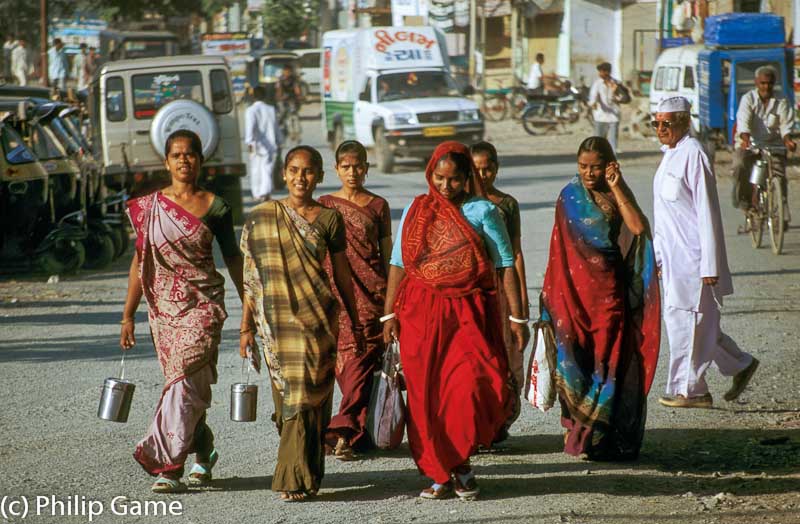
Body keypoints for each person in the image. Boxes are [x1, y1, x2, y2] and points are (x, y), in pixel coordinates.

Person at [382, 141, 530, 500]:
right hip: (420, 313)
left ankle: (460, 461)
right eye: (439, 177)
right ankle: (441, 474)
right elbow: (399, 263)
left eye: (454, 179)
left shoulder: (483, 211)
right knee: (426, 395)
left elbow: (505, 264)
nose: (445, 186)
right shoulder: (416, 210)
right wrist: (388, 313)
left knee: (470, 388)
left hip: (469, 313)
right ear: (430, 173)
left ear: (467, 179)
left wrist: (516, 317)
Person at [120, 129, 244, 493]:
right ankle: (204, 451)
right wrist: (128, 314)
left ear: (201, 161)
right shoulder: (150, 208)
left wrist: (251, 306)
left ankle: (168, 465)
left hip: (202, 309)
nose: (184, 160)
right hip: (163, 313)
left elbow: (233, 257)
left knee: (186, 385)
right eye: (177, 155)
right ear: (166, 162)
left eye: (190, 154)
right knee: (184, 389)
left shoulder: (216, 206)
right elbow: (138, 263)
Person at [239, 145, 365, 502]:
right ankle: (307, 470)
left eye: (308, 171)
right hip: (275, 328)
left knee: (308, 399)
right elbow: (252, 279)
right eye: (294, 170)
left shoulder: (329, 219)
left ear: (320, 176)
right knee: (287, 408)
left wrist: (355, 323)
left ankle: (293, 479)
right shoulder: (261, 217)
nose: (300, 178)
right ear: (283, 174)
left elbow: (342, 276)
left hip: (316, 324)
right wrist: (246, 327)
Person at [541, 136, 661, 460]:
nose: (588, 173)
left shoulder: (615, 193)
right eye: (583, 167)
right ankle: (578, 431)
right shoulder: (568, 196)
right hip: (572, 298)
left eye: (595, 167)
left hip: (608, 295)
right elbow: (559, 255)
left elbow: (637, 227)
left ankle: (603, 438)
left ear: (609, 165)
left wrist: (617, 186)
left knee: (608, 363)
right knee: (575, 360)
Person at [652, 96, 759, 409]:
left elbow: (707, 212)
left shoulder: (693, 154)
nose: (660, 129)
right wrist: (659, 258)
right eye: (655, 123)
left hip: (694, 261)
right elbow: (665, 218)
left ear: (685, 122)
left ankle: (692, 391)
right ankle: (739, 363)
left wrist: (710, 264)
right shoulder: (669, 155)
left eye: (666, 123)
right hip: (673, 259)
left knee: (688, 324)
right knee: (697, 325)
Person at [318, 140, 392, 460]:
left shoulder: (378, 205)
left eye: (358, 166)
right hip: (335, 297)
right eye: (345, 167)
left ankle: (343, 432)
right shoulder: (324, 205)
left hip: (371, 296)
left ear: (366, 168)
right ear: (336, 170)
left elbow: (388, 254)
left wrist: (393, 297)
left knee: (362, 364)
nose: (352, 172)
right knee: (347, 366)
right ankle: (358, 431)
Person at [469, 141, 528, 440]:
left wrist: (522, 303)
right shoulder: (461, 205)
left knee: (506, 353)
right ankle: (476, 424)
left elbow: (514, 253)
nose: (483, 175)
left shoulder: (506, 204)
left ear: (496, 168)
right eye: (476, 169)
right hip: (472, 290)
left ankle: (499, 422)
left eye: (488, 168)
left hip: (501, 288)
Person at [732, 65, 795, 223]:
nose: (766, 86)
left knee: (779, 177)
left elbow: (785, 124)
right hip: (750, 143)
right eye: (763, 83)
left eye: (770, 83)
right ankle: (745, 202)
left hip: (774, 145)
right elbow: (743, 122)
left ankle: (782, 211)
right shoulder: (748, 99)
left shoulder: (781, 100)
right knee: (740, 164)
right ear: (756, 83)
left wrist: (788, 140)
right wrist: (746, 140)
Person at [244, 85, 281, 202]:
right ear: (264, 96)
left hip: (255, 145)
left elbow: (250, 128)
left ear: (253, 96)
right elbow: (276, 127)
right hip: (270, 144)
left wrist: (249, 142)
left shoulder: (250, 110)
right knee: (267, 169)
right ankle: (266, 192)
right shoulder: (271, 109)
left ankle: (257, 193)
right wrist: (280, 141)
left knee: (255, 169)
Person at [588, 62, 621, 153]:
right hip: (600, 116)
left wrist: (615, 93)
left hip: (614, 116)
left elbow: (622, 98)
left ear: (607, 72)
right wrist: (593, 104)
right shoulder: (597, 84)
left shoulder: (616, 83)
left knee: (612, 140)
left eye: (601, 71)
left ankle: (612, 159)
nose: (600, 74)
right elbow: (592, 98)